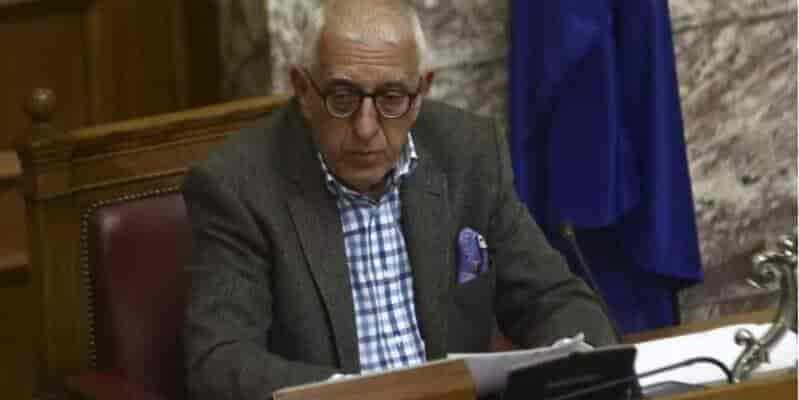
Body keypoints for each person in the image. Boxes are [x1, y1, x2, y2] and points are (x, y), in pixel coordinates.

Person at [182, 1, 616, 398]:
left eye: (391, 98)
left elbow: (552, 298)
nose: (366, 128)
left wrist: (582, 369)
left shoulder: (468, 154)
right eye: (342, 97)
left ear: (422, 91)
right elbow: (219, 360)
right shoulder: (239, 186)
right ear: (303, 90)